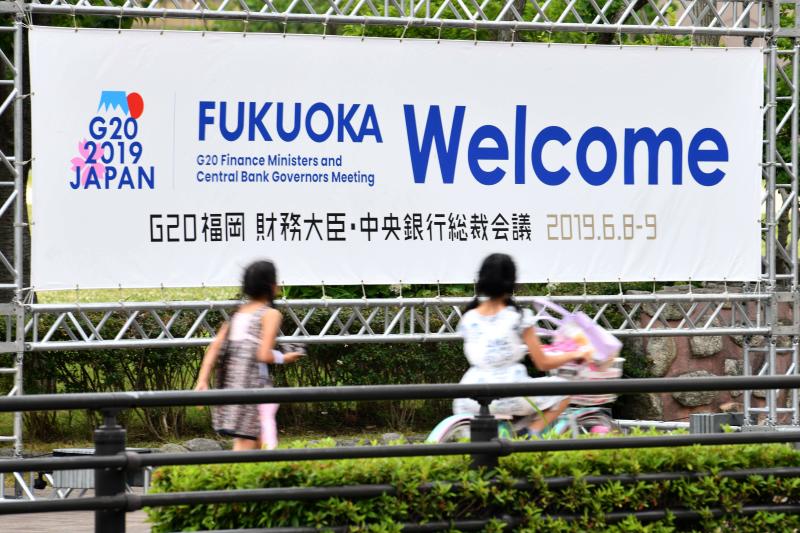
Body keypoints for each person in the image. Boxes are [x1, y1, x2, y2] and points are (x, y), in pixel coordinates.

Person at [453, 253, 592, 437]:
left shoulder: (469, 317)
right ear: (511, 281)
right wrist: (576, 354)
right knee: (565, 390)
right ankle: (530, 433)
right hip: (510, 394)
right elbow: (543, 363)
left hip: (469, 397)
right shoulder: (519, 317)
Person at [195, 260, 302, 451]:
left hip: (232, 386)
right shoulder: (269, 314)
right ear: (272, 285)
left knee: (255, 440)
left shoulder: (237, 314)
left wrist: (202, 380)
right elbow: (263, 354)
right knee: (250, 443)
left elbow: (214, 348)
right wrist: (284, 358)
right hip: (254, 387)